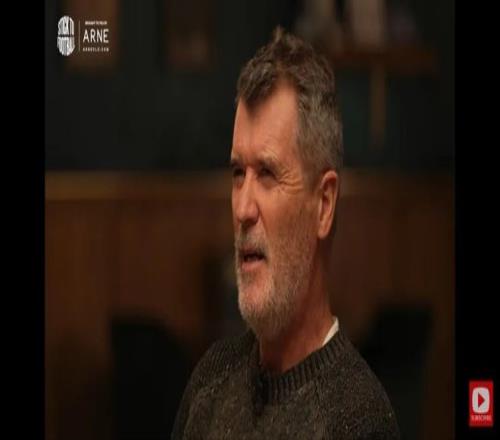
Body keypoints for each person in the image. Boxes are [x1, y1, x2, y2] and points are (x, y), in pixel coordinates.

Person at [171, 27, 400, 439]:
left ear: (324, 204)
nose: (243, 208)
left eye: (268, 174)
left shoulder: (358, 420)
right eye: (238, 173)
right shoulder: (211, 381)